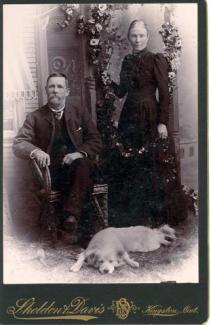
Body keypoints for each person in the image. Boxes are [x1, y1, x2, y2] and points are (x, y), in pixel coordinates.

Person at [108, 20, 184, 227]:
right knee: (131, 161)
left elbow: (165, 94)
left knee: (151, 162)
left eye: (141, 35)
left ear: (147, 37)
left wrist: (162, 122)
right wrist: (105, 81)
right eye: (134, 36)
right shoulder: (126, 61)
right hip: (129, 116)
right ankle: (135, 215)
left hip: (149, 113)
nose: (137, 39)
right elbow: (122, 91)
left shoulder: (156, 59)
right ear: (129, 38)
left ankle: (154, 215)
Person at [13, 72, 102, 243]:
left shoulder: (79, 112)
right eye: (51, 86)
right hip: (51, 174)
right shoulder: (35, 117)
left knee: (82, 164)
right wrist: (36, 151)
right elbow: (19, 143)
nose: (55, 90)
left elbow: (95, 140)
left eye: (60, 87)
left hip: (78, 172)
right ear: (46, 90)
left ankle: (70, 218)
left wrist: (78, 153)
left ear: (67, 91)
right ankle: (69, 223)